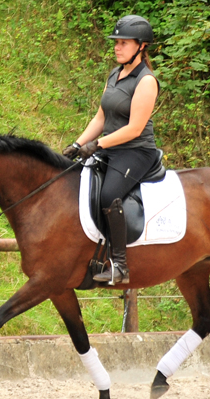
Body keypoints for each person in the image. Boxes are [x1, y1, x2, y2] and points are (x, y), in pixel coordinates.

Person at [63, 14, 159, 285]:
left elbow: (135, 128)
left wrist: (98, 144)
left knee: (108, 194)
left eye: (124, 43)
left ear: (141, 46)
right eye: (116, 42)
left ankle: (119, 265)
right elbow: (101, 118)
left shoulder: (146, 81)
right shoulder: (115, 74)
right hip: (109, 149)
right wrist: (77, 144)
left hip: (136, 151)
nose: (117, 47)